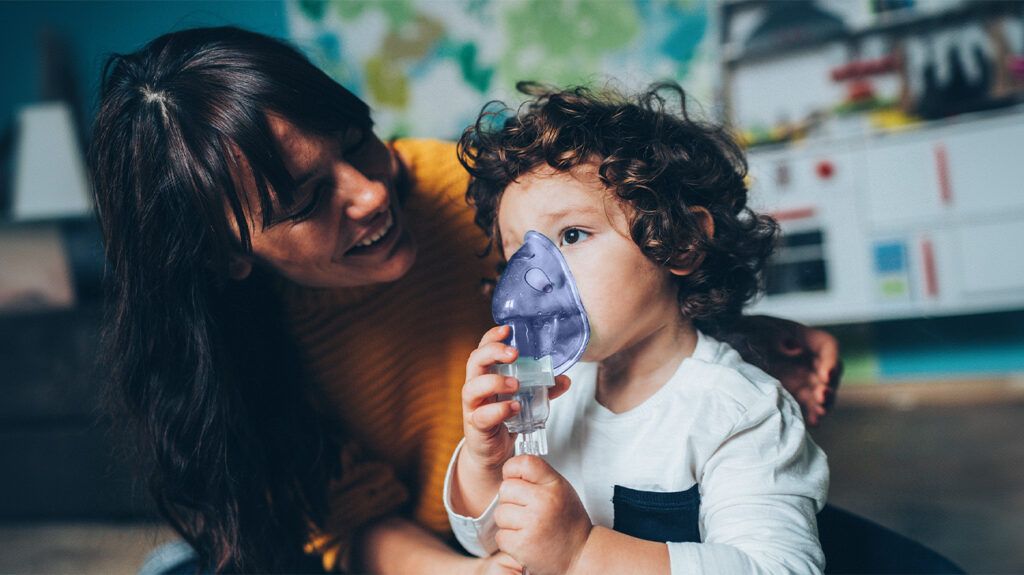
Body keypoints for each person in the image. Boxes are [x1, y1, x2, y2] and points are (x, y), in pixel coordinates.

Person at [89, 27, 841, 573]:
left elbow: (640, 265)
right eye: (309, 200)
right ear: (228, 255)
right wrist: (484, 469)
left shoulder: (498, 197)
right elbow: (474, 529)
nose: (372, 192)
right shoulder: (242, 355)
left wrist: (741, 331)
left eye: (357, 142)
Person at [446, 83, 828, 574]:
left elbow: (782, 569)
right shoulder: (553, 396)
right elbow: (489, 544)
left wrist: (584, 552)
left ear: (681, 242)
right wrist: (486, 464)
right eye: (515, 252)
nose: (529, 279)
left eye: (572, 235)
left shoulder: (739, 412)